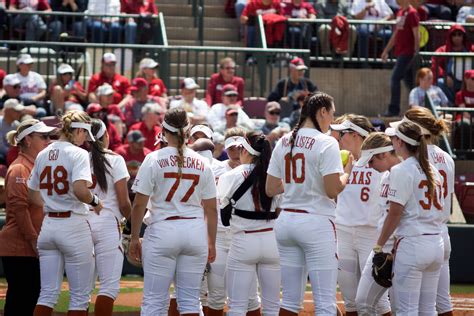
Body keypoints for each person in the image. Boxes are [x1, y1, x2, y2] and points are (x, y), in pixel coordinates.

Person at [266, 92, 353, 315]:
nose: (331, 121)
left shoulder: (284, 140)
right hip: (316, 222)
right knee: (324, 302)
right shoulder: (326, 142)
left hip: (286, 221)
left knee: (289, 302)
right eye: (331, 115)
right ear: (322, 111)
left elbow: (271, 188)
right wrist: (347, 174)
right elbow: (332, 189)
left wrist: (298, 185)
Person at [129, 107, 218, 315]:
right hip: (195, 233)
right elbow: (212, 209)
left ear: (164, 130)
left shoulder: (153, 159)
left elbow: (139, 204)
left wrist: (134, 237)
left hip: (163, 230)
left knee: (154, 301)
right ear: (187, 132)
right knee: (190, 301)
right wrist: (211, 241)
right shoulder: (203, 162)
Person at [27, 110, 103, 316]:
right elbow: (80, 190)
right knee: (79, 297)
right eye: (84, 134)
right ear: (78, 130)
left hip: (49, 225)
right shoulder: (77, 153)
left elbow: (32, 196)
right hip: (73, 225)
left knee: (47, 294)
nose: (85, 140)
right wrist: (96, 202)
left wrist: (53, 203)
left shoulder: (43, 154)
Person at [373, 120, 445, 315]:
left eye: (394, 137)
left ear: (400, 142)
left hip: (413, 244)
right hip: (436, 243)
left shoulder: (401, 170)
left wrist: (378, 246)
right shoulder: (433, 170)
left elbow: (394, 214)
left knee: (406, 310)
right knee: (428, 309)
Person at [390, 107, 455, 315]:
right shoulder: (447, 157)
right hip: (440, 233)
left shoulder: (414, 159)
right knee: (440, 304)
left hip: (416, 233)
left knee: (407, 306)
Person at [329, 116, 391, 316]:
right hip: (344, 233)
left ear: (355, 135)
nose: (338, 137)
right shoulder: (341, 159)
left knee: (379, 302)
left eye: (343, 133)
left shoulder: (379, 160)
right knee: (350, 300)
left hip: (370, 235)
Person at [218, 132, 280, 316]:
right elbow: (280, 210)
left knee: (237, 306)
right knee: (272, 307)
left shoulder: (230, 176)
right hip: (271, 240)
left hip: (243, 241)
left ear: (246, 150)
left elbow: (224, 211)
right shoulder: (275, 176)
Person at [0, 119, 54, 316]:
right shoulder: (20, 169)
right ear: (28, 140)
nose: (49, 141)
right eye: (44, 137)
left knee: (30, 299)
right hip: (20, 247)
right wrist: (33, 239)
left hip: (29, 246)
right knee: (22, 301)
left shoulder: (33, 167)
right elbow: (19, 209)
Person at [353, 132, 401, 315]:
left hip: (400, 247)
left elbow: (400, 215)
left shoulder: (404, 172)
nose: (370, 166)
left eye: (371, 161)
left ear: (383, 154)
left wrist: (382, 246)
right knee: (362, 302)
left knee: (403, 308)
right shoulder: (385, 176)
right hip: (383, 247)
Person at [88, 119, 132, 316]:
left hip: (82, 223)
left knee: (81, 291)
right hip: (107, 223)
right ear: (106, 135)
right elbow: (124, 202)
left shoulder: (80, 157)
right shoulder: (115, 159)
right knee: (108, 288)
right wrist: (132, 223)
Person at [381, 0, 420, 117]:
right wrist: (386, 50)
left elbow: (416, 34)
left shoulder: (412, 13)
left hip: (408, 53)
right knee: (410, 83)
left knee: (395, 78)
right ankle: (418, 109)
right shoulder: (400, 12)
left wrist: (416, 53)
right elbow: (396, 34)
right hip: (401, 52)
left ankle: (394, 109)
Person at [431, 24, 474, 102]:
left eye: (459, 34)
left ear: (463, 36)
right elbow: (435, 63)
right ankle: (451, 106)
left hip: (470, 80)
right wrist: (445, 76)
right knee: (440, 82)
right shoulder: (443, 50)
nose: (457, 37)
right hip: (452, 80)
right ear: (450, 37)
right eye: (454, 35)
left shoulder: (471, 49)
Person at [0, 99, 23, 164]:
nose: (20, 113)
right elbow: (1, 148)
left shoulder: (17, 124)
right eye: (16, 111)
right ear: (7, 111)